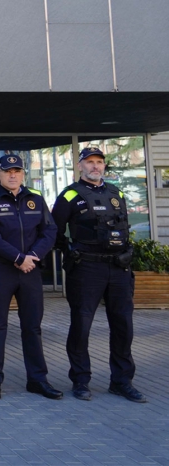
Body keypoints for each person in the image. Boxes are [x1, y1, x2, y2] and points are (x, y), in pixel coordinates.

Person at [52, 146, 146, 403]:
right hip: (87, 269)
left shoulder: (117, 193)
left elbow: (123, 227)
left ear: (104, 166)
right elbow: (54, 233)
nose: (95, 166)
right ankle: (80, 380)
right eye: (90, 162)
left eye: (99, 162)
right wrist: (71, 254)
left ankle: (122, 381)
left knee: (123, 325)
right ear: (80, 166)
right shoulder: (69, 195)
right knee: (81, 325)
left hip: (118, 268)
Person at [0, 154, 61, 400]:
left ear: (23, 173)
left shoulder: (35, 198)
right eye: (7, 171)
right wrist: (18, 257)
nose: (13, 175)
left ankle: (37, 379)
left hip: (30, 270)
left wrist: (32, 256)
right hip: (1, 270)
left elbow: (50, 230)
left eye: (17, 171)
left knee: (32, 327)